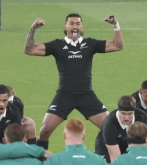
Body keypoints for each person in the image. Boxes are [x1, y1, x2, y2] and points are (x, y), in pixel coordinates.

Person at [24, 13, 124, 150]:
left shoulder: (90, 44)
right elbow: (29, 50)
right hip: (64, 95)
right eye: (71, 23)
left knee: (111, 129)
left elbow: (118, 46)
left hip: (86, 95)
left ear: (81, 27)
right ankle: (40, 162)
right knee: (44, 131)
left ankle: (121, 160)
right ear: (66, 26)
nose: (75, 26)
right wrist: (32, 29)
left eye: (78, 23)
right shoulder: (57, 45)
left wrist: (115, 25)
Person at [95, 95, 147, 163]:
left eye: (130, 113)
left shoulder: (142, 117)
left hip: (134, 142)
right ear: (118, 111)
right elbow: (115, 158)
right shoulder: (109, 124)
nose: (126, 118)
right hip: (110, 147)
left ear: (134, 111)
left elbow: (143, 146)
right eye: (123, 113)